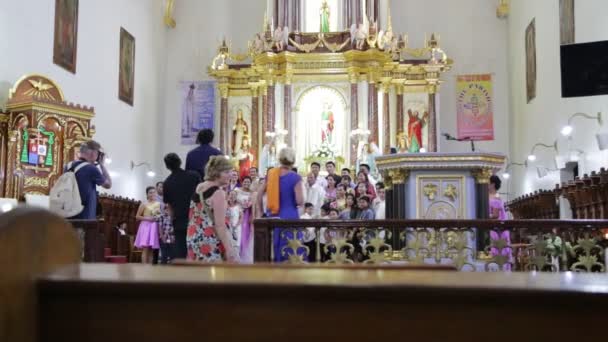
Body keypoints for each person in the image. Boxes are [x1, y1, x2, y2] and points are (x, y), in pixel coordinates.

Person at [187, 156, 239, 262]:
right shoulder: (218, 193)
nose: (231, 175)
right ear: (216, 173)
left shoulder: (199, 187)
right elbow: (220, 225)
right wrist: (229, 249)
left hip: (194, 237)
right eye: (227, 172)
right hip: (211, 239)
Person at [256, 147, 304, 262]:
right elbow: (300, 201)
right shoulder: (295, 177)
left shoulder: (271, 174)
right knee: (291, 247)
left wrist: (261, 212)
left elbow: (259, 195)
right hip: (290, 216)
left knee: (273, 245)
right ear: (293, 160)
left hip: (272, 214)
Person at [162, 153, 201, 259]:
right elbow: (201, 196)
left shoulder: (167, 183)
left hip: (179, 221)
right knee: (198, 249)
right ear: (180, 161)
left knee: (181, 252)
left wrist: (170, 224)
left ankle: (181, 274)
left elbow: (169, 207)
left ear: (167, 166)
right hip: (196, 218)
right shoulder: (194, 175)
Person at [66, 140, 112, 219]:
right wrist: (102, 165)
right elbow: (108, 185)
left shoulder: (68, 166)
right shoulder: (91, 168)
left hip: (68, 214)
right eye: (98, 153)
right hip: (84, 217)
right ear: (93, 153)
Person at [489, 175, 512, 270]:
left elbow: (495, 215)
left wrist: (483, 216)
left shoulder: (496, 197)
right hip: (491, 227)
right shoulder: (488, 195)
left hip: (497, 229)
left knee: (497, 250)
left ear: (492, 184)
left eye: (488, 182)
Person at [134, 186, 161, 264]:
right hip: (146, 226)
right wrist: (148, 219)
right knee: (145, 248)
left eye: (154, 192)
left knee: (151, 249)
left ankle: (150, 269)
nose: (152, 194)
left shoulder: (158, 204)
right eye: (150, 192)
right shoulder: (144, 204)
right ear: (147, 194)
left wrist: (157, 218)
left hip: (154, 227)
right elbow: (137, 216)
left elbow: (158, 215)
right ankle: (144, 268)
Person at [236, 176, 254, 263]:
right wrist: (240, 203)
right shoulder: (237, 190)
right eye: (245, 182)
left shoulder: (251, 193)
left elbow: (251, 202)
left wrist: (248, 204)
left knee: (244, 232)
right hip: (236, 213)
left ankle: (243, 253)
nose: (246, 183)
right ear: (242, 182)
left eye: (248, 182)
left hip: (246, 214)